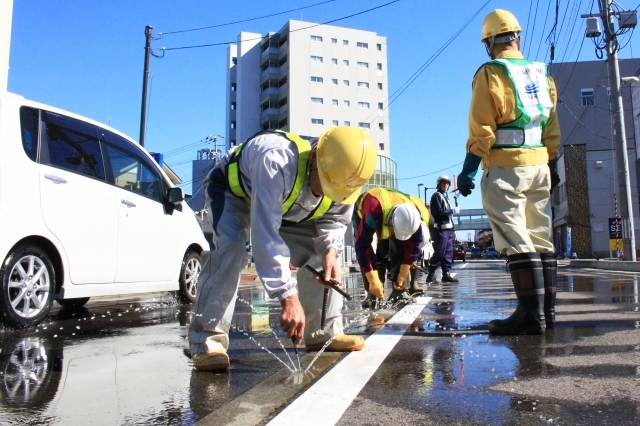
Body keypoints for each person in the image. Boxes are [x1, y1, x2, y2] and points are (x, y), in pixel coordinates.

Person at [188, 127, 377, 370]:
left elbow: (335, 220)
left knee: (321, 253)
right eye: (325, 185)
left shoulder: (346, 179)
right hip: (233, 191)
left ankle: (324, 333)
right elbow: (266, 235)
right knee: (231, 250)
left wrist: (330, 250)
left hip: (289, 205)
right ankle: (206, 342)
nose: (327, 194)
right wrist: (288, 297)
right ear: (314, 160)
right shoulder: (275, 160)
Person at [457, 9, 561, 335]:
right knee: (540, 236)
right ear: (518, 37)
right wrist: (552, 165)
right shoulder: (542, 74)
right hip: (540, 166)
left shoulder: (491, 73)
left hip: (506, 168)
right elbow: (551, 128)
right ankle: (547, 312)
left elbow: (482, 129)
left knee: (515, 237)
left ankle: (529, 316)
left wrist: (468, 170)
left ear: (488, 43)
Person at [352, 188, 428, 307]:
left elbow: (414, 245)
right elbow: (362, 246)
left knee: (399, 248)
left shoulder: (413, 217)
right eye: (393, 230)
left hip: (389, 211)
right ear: (391, 219)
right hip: (363, 211)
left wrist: (403, 271)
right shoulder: (373, 211)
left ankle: (399, 291)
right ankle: (372, 293)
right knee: (367, 252)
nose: (393, 234)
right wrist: (372, 279)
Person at [426, 175, 459, 284]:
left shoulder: (446, 197)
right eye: (443, 183)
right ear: (439, 184)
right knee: (440, 252)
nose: (445, 185)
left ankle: (446, 274)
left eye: (447, 183)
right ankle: (431, 274)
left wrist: (453, 229)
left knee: (448, 253)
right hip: (441, 230)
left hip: (448, 229)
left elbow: (449, 217)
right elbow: (438, 213)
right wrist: (452, 211)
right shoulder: (436, 196)